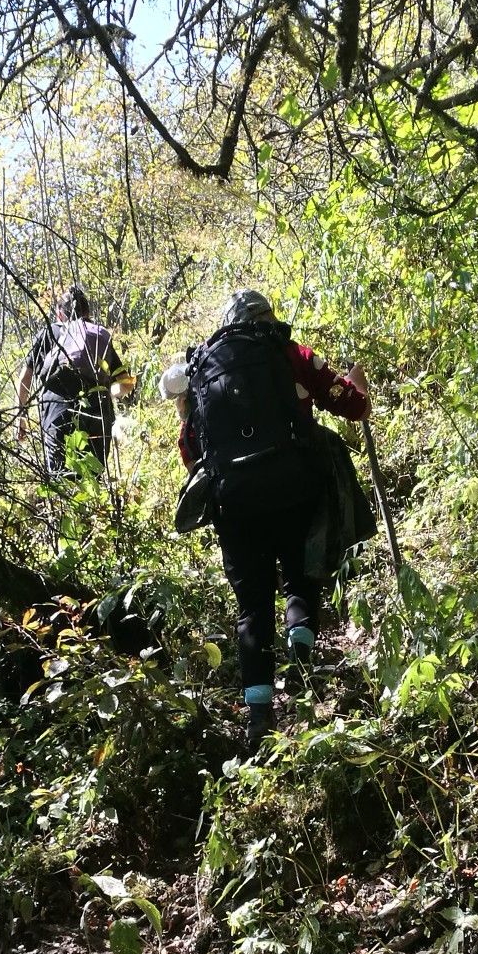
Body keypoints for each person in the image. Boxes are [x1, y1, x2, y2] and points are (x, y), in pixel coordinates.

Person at [174, 288, 369, 751]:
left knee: (252, 609)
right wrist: (357, 387)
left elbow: (190, 451)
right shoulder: (292, 353)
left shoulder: (204, 369)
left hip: (235, 506)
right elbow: (351, 405)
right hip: (295, 490)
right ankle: (300, 666)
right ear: (268, 317)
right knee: (299, 581)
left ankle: (259, 721)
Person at [15, 285, 124, 476]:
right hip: (97, 415)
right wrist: (107, 393)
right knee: (92, 482)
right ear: (88, 312)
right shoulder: (98, 335)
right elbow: (125, 382)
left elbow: (25, 378)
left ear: (59, 315)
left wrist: (21, 418)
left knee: (62, 483)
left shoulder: (48, 333)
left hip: (58, 415)